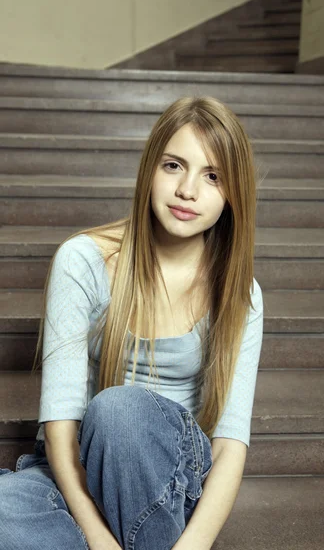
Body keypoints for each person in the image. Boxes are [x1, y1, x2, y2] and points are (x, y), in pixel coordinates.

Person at [0, 96, 264, 550]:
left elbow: (228, 445)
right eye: (173, 166)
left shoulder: (241, 294)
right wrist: (102, 541)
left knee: (119, 410)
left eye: (213, 176)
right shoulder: (83, 260)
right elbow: (61, 428)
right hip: (80, 470)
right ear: (149, 169)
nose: (187, 191)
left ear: (232, 194)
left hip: (173, 479)